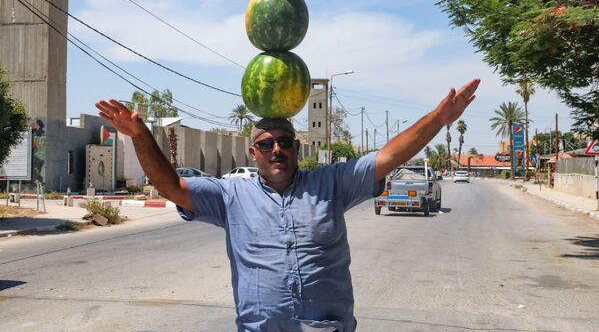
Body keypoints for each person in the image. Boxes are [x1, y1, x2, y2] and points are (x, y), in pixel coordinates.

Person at [95, 78, 479, 332]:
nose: (275, 148)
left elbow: (388, 157)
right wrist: (140, 135)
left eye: (284, 141)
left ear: (297, 148)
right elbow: (170, 185)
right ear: (253, 152)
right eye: (266, 143)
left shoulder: (331, 185)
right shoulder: (232, 196)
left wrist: (439, 118)